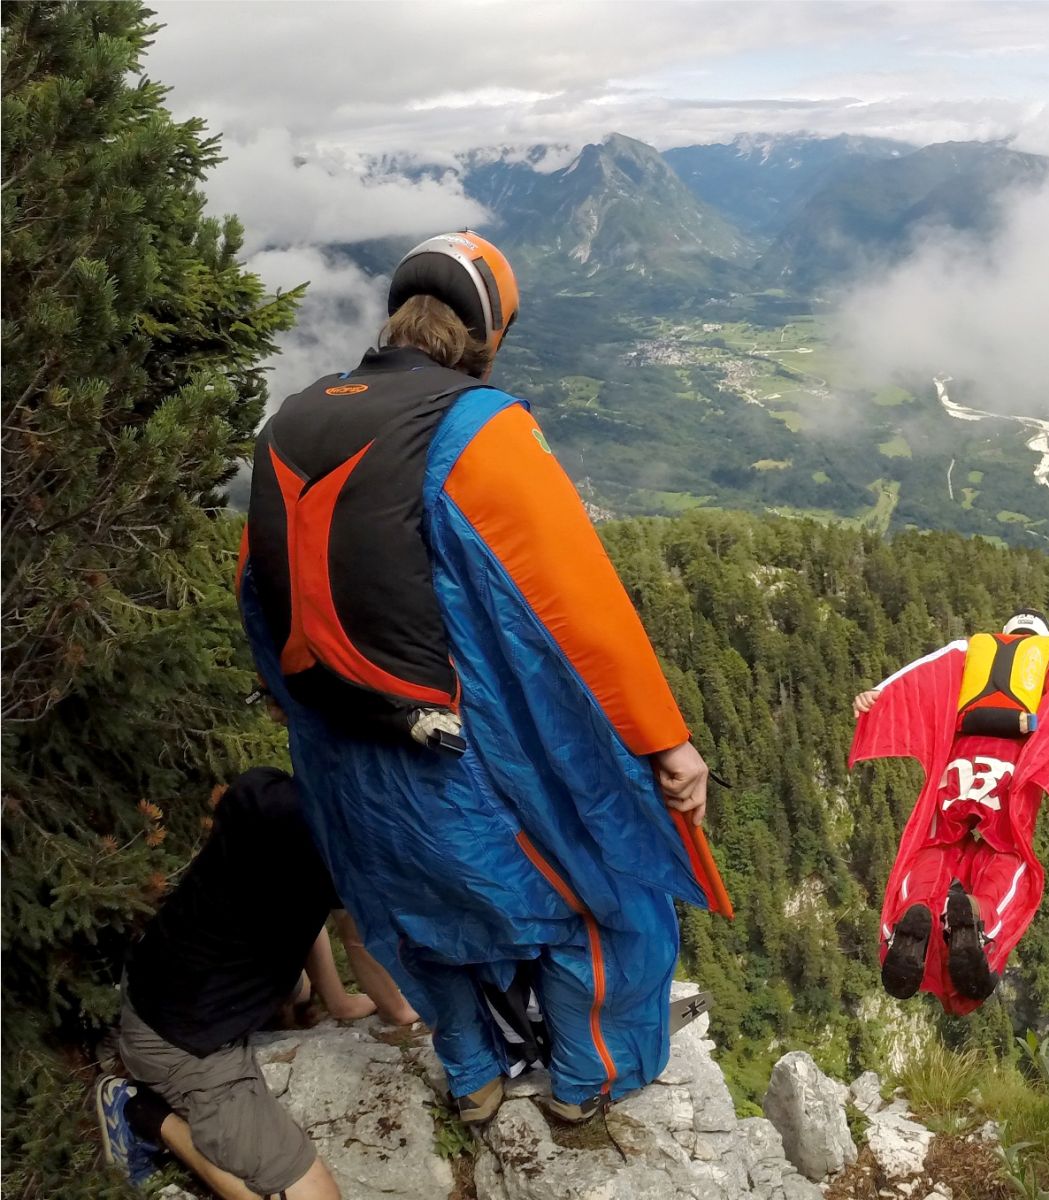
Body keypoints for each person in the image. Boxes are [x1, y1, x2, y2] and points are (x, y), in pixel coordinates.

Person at [236, 230, 731, 1127]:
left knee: (418, 919)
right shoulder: (477, 429)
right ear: (486, 336)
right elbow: (581, 607)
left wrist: (305, 719)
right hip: (453, 760)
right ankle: (585, 1086)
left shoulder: (287, 426)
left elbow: (259, 595)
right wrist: (665, 740)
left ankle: (472, 1076)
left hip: (348, 764)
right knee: (604, 906)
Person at [849, 610, 1049, 1014]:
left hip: (957, 771)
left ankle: (918, 910)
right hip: (1006, 781)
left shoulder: (968, 652)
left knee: (933, 845)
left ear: (1007, 630)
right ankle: (979, 917)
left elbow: (918, 675)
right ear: (1042, 636)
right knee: (1011, 856)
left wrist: (874, 694)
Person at [96, 768, 342, 1200]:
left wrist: (332, 997)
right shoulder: (337, 833)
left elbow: (304, 901)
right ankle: (141, 1112)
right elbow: (354, 936)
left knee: (300, 990)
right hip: (181, 1037)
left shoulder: (269, 792)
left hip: (163, 982)